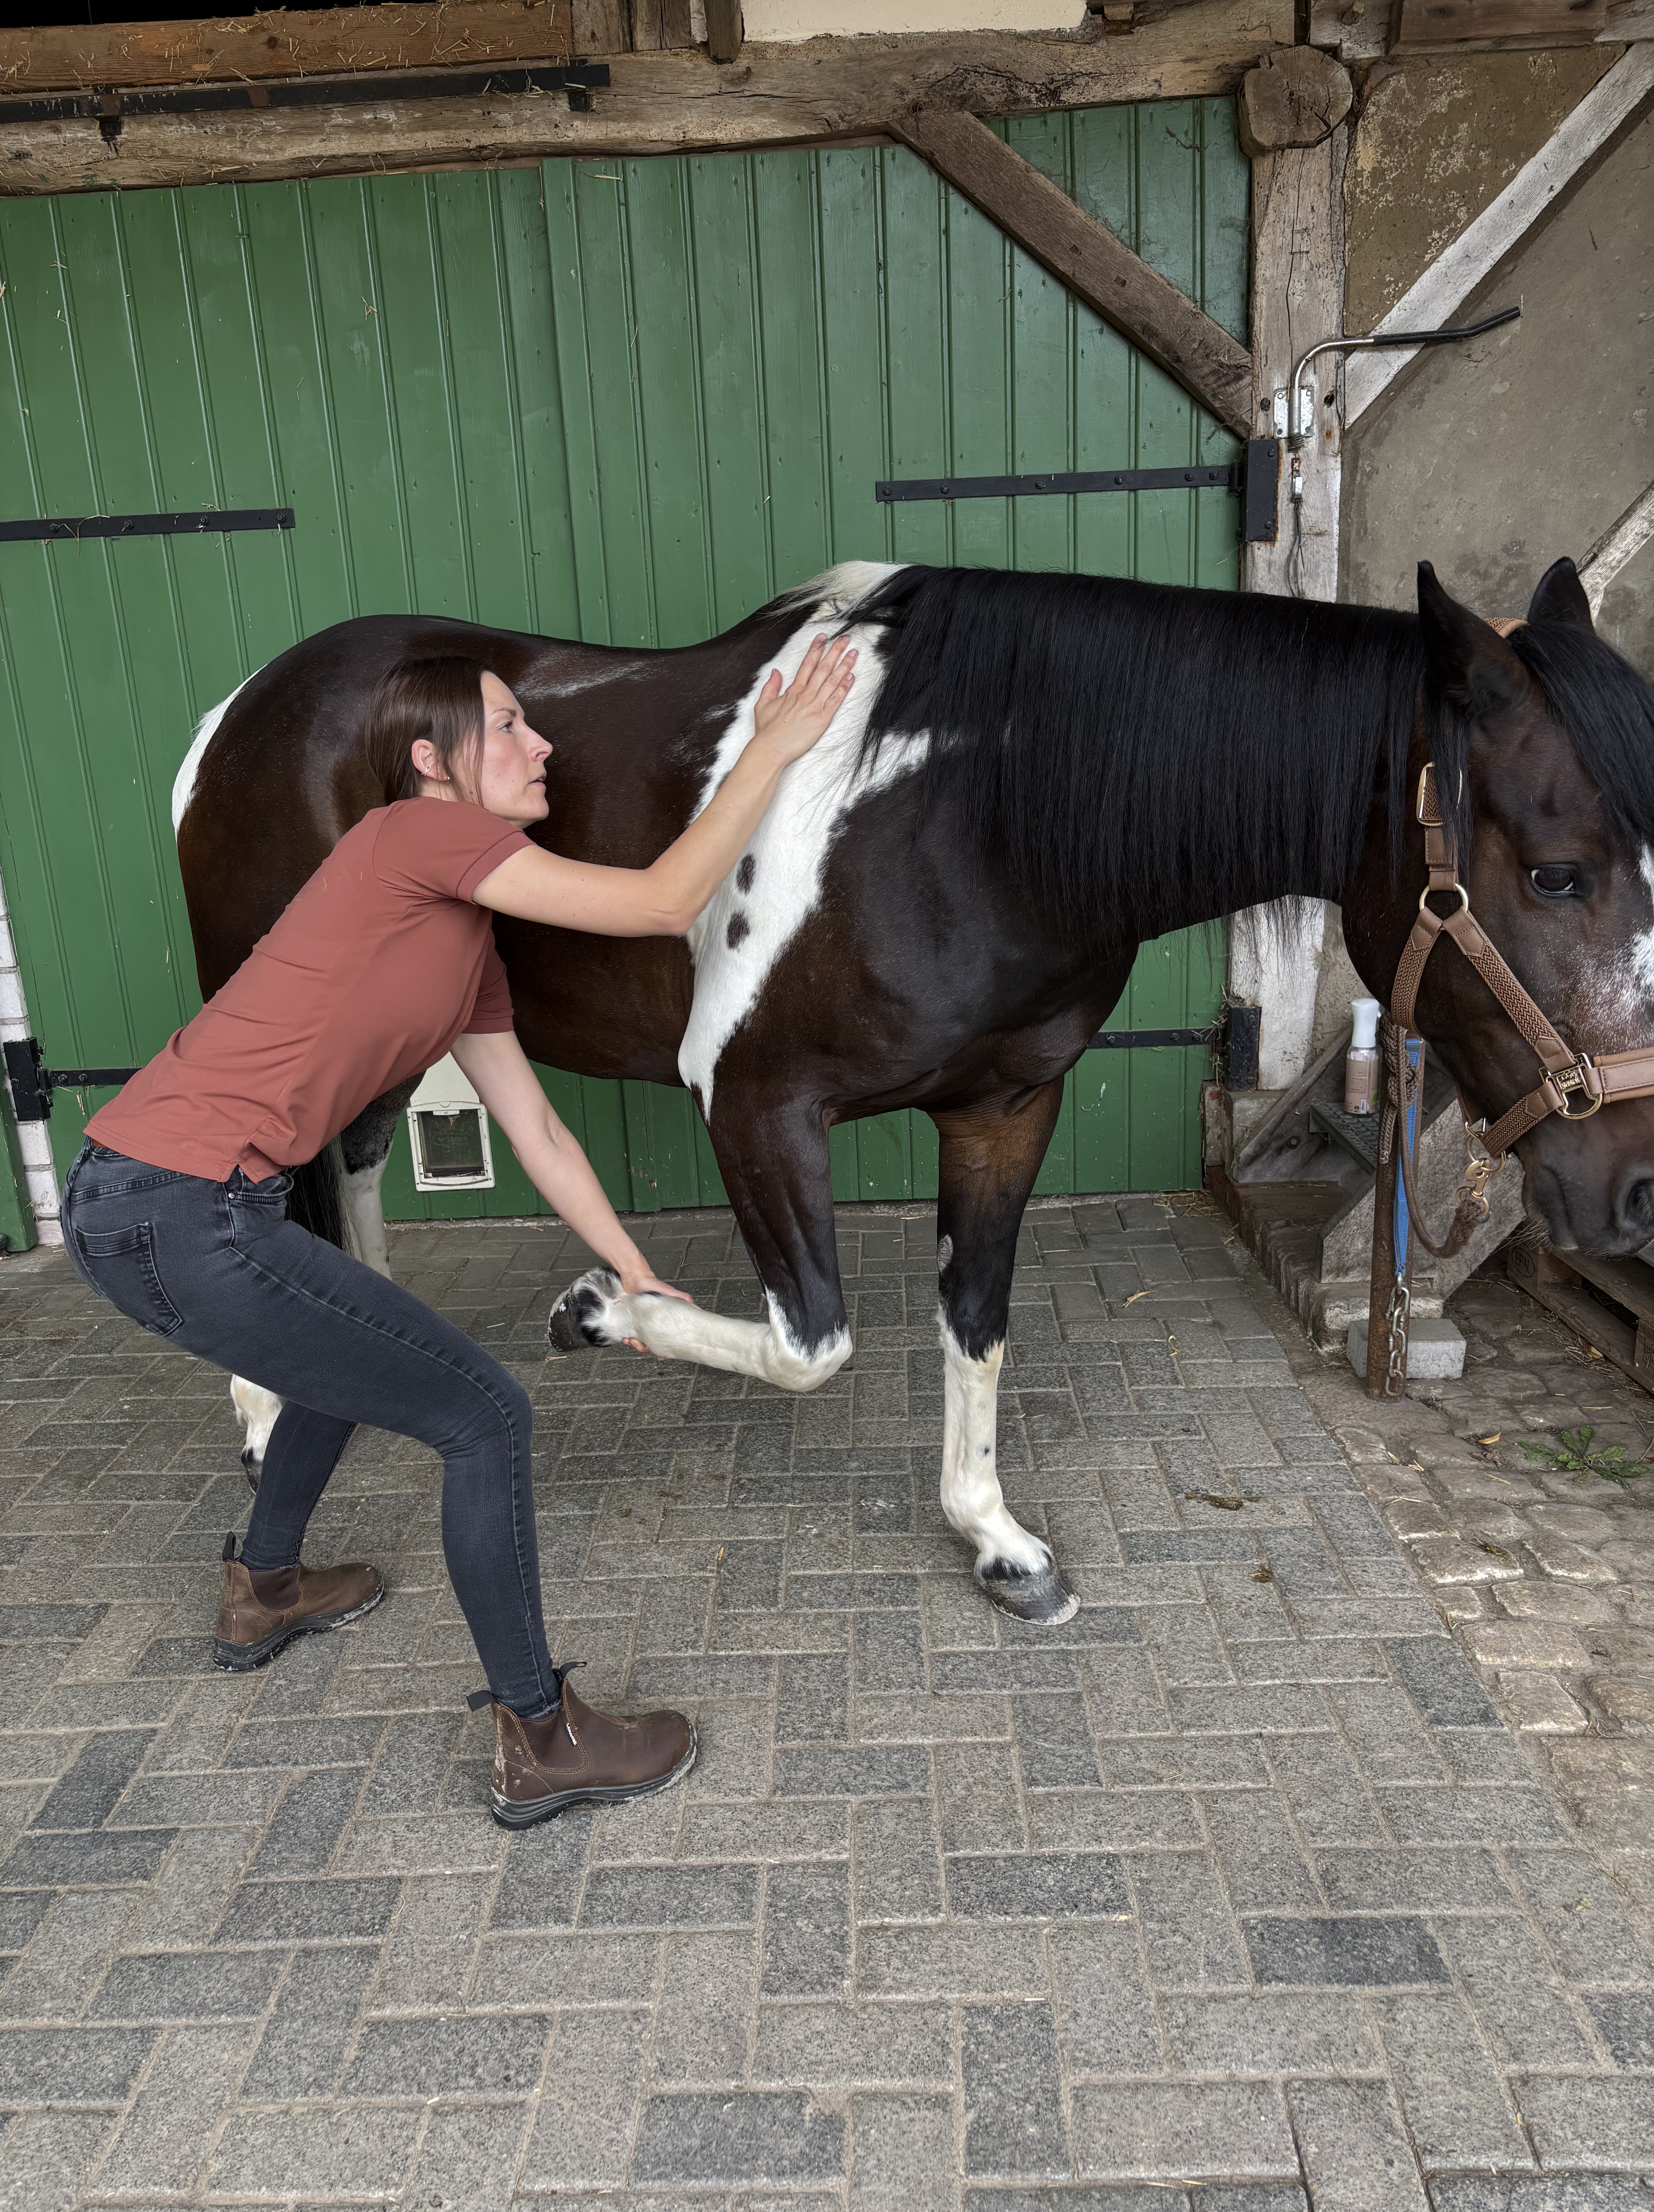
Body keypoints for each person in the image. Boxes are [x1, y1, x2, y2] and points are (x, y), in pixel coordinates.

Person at [61, 635, 857, 1827]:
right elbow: (662, 902)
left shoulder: (460, 942)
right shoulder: (413, 834)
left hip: (142, 1200)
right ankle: (541, 1737)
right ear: (431, 763)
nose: (542, 747)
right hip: (184, 1203)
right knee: (483, 1414)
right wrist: (776, 746)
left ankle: (262, 1590)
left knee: (336, 1349)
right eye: (509, 729)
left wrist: (637, 1276)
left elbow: (536, 1126)